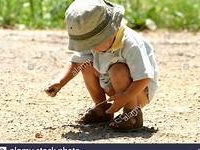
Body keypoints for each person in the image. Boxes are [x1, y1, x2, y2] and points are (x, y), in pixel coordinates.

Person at [45, 0, 158, 131]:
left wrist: (126, 96)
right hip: (110, 83)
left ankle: (131, 115)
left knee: (117, 69)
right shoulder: (95, 40)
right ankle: (102, 109)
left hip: (137, 92)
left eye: (94, 43)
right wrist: (60, 82)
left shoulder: (131, 45)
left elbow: (144, 77)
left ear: (110, 31)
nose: (90, 47)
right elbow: (76, 63)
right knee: (85, 64)